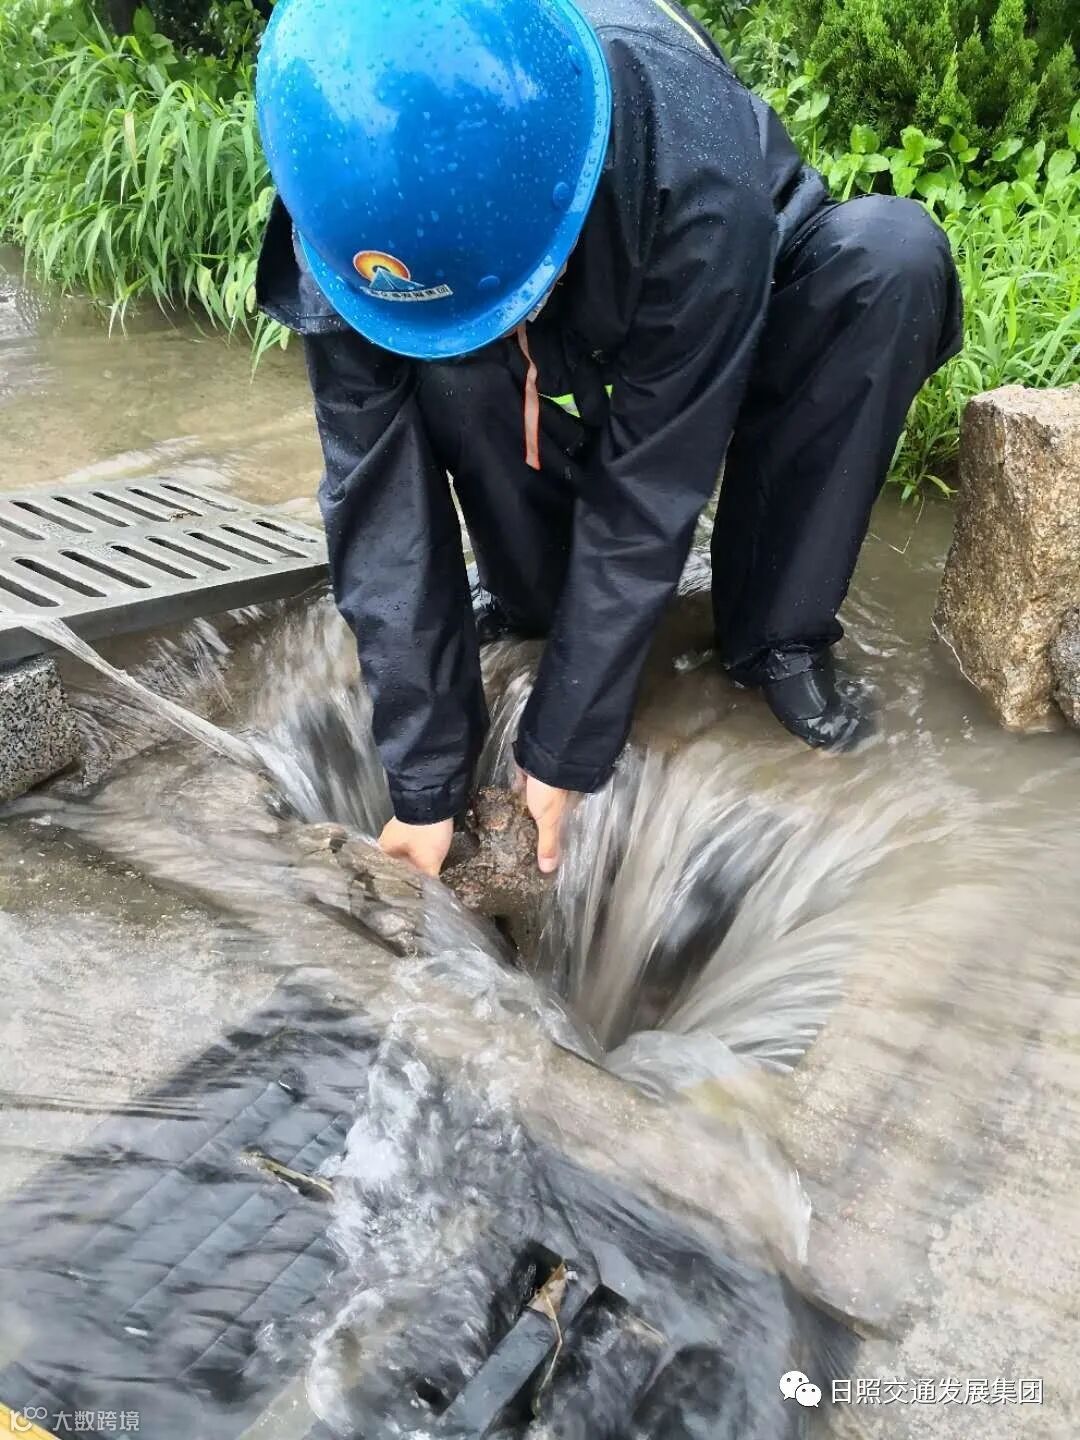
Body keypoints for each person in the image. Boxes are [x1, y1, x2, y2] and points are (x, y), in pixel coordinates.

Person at [255, 0, 962, 878]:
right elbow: (374, 497)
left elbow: (651, 481)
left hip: (724, 269)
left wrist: (564, 749)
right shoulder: (344, 196)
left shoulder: (687, 155)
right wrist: (425, 784)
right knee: (451, 371)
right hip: (521, 295)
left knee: (892, 258)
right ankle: (529, 594)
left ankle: (775, 633)